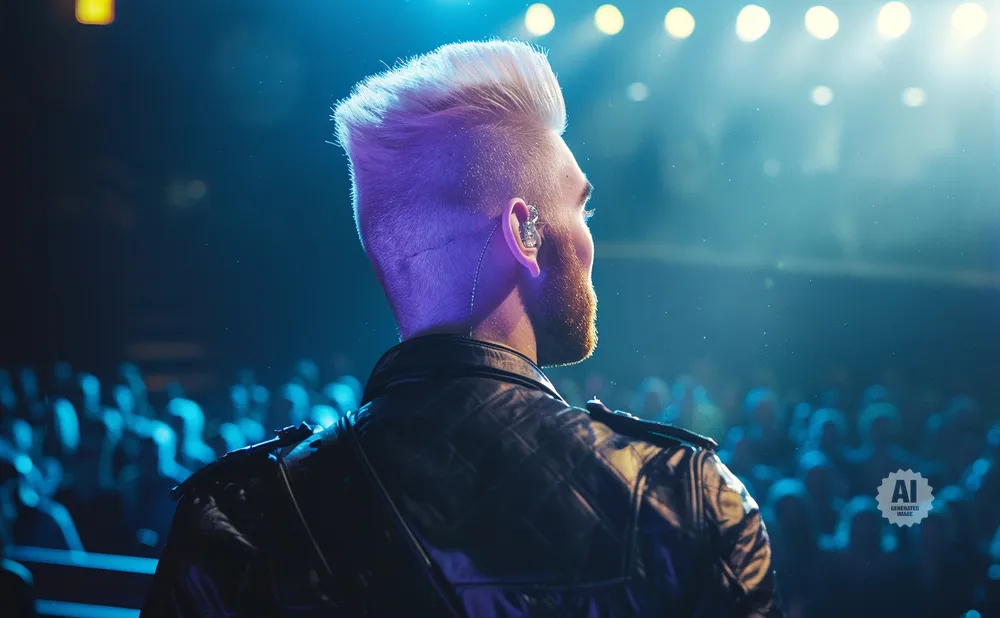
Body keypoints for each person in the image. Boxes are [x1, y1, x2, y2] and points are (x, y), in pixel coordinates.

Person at [141, 40, 782, 617]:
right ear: (525, 234)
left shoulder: (241, 519)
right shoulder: (687, 500)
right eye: (582, 207)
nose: (592, 241)